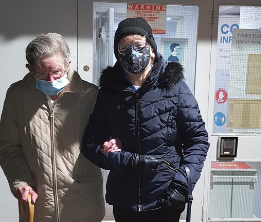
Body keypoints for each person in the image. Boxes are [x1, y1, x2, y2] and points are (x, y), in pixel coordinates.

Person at [82, 17, 209, 222]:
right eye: (124, 47)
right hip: (125, 201)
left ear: (151, 49)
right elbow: (90, 144)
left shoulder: (174, 87)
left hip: (166, 198)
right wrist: (124, 160)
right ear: (117, 53)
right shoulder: (109, 92)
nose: (132, 52)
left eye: (138, 45)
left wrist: (182, 184)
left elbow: (198, 140)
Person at [0, 33, 105, 222]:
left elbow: (103, 141)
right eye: (42, 73)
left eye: (57, 71)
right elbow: (9, 148)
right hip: (39, 205)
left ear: (68, 64)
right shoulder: (17, 95)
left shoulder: (90, 95)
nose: (51, 80)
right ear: (29, 69)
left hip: (84, 203)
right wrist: (21, 182)